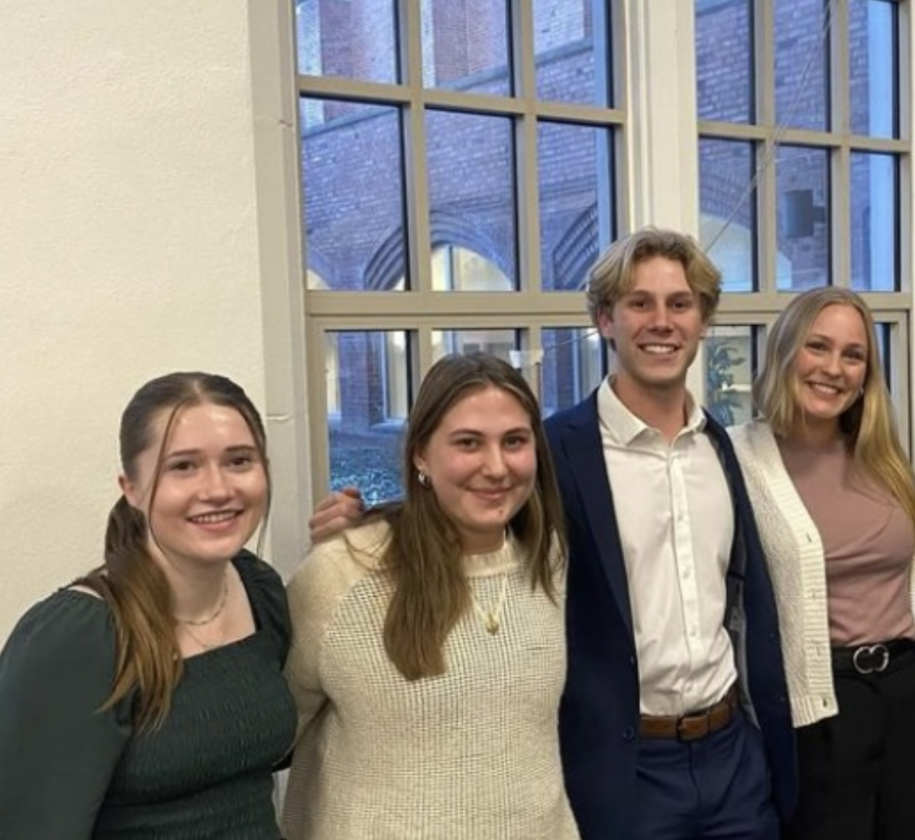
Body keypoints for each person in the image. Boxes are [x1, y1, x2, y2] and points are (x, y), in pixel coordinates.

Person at [307, 228, 796, 840]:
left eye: (680, 304)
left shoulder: (721, 446)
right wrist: (371, 518)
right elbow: (475, 500)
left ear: (703, 321)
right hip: (624, 764)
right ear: (604, 319)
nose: (661, 322)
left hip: (730, 757)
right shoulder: (553, 452)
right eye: (639, 303)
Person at [283, 353, 577, 840]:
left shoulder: (548, 561)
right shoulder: (342, 575)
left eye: (515, 442)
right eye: (468, 443)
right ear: (421, 454)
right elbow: (272, 736)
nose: (497, 466)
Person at [0, 372, 294, 839]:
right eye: (183, 466)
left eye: (239, 460)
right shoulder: (81, 636)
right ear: (131, 488)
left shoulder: (260, 591)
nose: (217, 488)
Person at [727, 287, 915, 839]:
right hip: (820, 703)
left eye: (853, 356)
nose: (834, 368)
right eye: (818, 347)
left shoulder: (884, 457)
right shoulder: (737, 459)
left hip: (910, 693)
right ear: (785, 350)